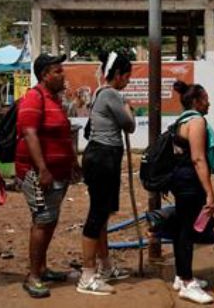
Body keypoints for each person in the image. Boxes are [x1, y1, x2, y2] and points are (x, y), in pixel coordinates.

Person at [16, 53, 78, 299]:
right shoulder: (34, 97)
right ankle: (32, 276)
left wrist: (73, 162)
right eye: (57, 71)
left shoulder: (54, 99)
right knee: (42, 220)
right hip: (37, 173)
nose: (63, 75)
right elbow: (30, 134)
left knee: (50, 219)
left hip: (58, 173)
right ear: (44, 75)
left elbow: (63, 136)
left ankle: (41, 268)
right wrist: (42, 169)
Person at [77, 52, 134, 296]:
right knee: (96, 215)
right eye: (127, 77)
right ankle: (87, 275)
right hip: (102, 158)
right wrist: (129, 109)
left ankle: (105, 265)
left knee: (102, 214)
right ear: (118, 75)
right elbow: (129, 124)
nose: (128, 82)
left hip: (104, 157)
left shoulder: (104, 93)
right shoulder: (110, 94)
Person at [169, 81, 214, 305]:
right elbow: (198, 159)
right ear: (196, 102)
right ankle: (188, 283)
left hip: (181, 180)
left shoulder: (182, 120)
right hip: (190, 182)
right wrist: (210, 192)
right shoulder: (196, 121)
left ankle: (181, 276)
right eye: (205, 99)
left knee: (183, 230)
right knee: (187, 231)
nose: (209, 103)